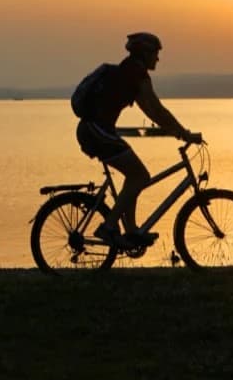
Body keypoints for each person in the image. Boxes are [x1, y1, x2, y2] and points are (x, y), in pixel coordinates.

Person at [75, 32, 201, 250]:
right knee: (140, 175)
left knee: (134, 176)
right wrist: (183, 133)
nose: (158, 59)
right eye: (156, 53)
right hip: (97, 131)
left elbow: (153, 111)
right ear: (144, 53)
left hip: (95, 130)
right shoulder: (136, 74)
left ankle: (131, 231)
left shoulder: (129, 71)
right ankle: (109, 227)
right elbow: (156, 110)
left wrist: (176, 130)